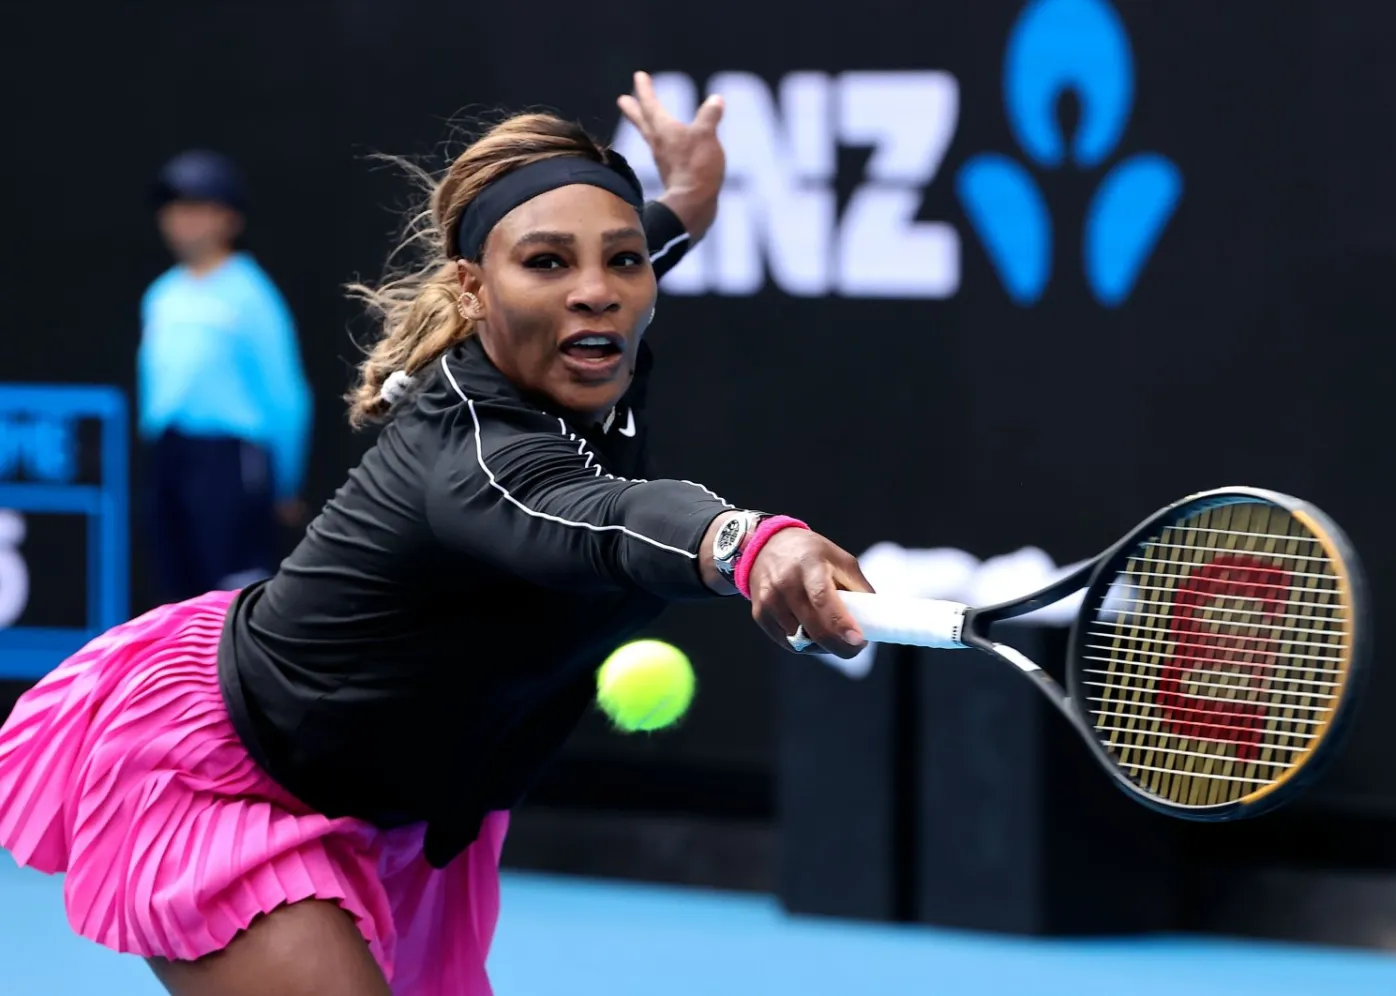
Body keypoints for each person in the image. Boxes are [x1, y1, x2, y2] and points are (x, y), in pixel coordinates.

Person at [0, 74, 873, 996]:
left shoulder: (589, 325)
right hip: (236, 781)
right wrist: (748, 541)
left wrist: (686, 202)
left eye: (624, 262)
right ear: (472, 286)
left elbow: (616, 248)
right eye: (546, 263)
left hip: (409, 806)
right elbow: (608, 519)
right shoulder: (476, 451)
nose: (597, 293)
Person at [140, 148, 313, 602]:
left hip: (230, 462)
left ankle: (235, 676)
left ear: (229, 219)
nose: (184, 222)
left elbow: (286, 394)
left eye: (199, 209)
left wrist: (285, 479)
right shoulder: (162, 294)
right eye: (176, 209)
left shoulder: (251, 293)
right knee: (175, 590)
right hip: (172, 456)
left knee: (233, 593)